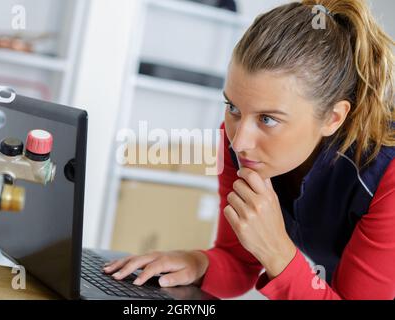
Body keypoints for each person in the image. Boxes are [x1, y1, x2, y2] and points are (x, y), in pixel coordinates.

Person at [103, 0, 395, 299]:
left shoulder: (385, 176)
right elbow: (238, 262)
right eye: (233, 107)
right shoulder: (240, 140)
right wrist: (198, 263)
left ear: (333, 118)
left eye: (268, 119)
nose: (239, 141)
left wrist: (278, 254)